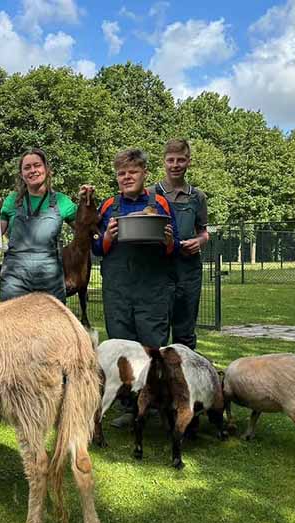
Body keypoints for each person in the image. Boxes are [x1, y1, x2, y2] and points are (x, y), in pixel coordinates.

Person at [91, 148, 179, 429]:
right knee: (122, 348)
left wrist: (167, 241)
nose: (126, 177)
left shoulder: (161, 204)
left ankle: (157, 405)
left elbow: (174, 246)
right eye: (121, 173)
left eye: (132, 172)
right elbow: (95, 248)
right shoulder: (108, 207)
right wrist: (106, 237)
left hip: (151, 290)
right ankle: (129, 407)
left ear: (144, 174)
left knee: (153, 348)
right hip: (118, 291)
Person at [149, 139, 209, 349]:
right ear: (163, 162)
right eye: (170, 160)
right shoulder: (150, 194)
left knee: (185, 331)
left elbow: (204, 232)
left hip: (188, 269)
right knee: (156, 330)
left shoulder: (197, 196)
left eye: (180, 160)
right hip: (158, 268)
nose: (175, 165)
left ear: (188, 162)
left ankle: (184, 378)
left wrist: (199, 242)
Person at [0, 148, 77, 302]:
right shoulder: (11, 200)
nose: (32, 170)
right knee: (11, 323)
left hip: (50, 278)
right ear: (21, 174)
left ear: (47, 169)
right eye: (27, 168)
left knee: (51, 324)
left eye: (37, 165)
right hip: (15, 278)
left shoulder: (63, 202)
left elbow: (84, 231)